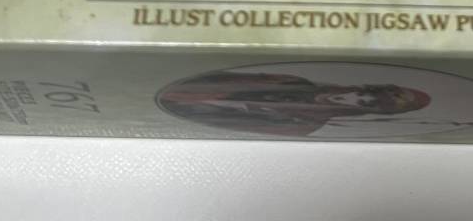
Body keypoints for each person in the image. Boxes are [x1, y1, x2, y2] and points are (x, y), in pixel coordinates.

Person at [158, 70, 430, 137]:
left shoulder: (305, 125)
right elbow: (220, 78)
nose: (361, 97)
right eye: (374, 92)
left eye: (375, 103)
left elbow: (234, 126)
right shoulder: (291, 80)